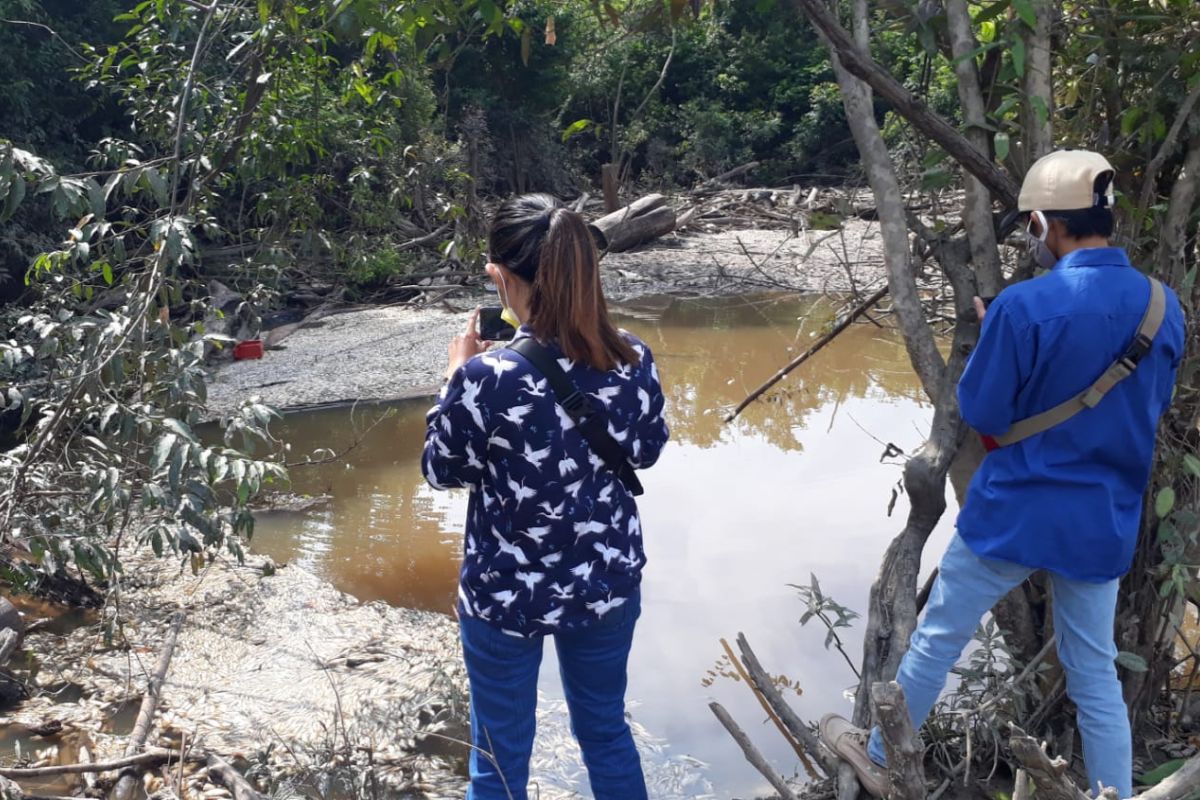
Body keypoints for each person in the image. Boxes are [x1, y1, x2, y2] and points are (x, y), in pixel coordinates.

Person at [818, 150, 1186, 797]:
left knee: (936, 641)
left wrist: (997, 337)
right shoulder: (1163, 307)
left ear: (1046, 225)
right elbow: (1145, 407)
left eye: (1030, 227)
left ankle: (879, 759)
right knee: (1095, 675)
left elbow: (982, 414)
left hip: (1013, 513)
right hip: (1101, 521)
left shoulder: (1022, 307)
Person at [421, 193, 670, 800]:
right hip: (605, 581)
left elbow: (441, 469)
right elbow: (646, 450)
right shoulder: (632, 356)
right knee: (607, 733)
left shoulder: (488, 378)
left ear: (501, 278)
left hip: (505, 595)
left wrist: (458, 376)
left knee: (500, 760)